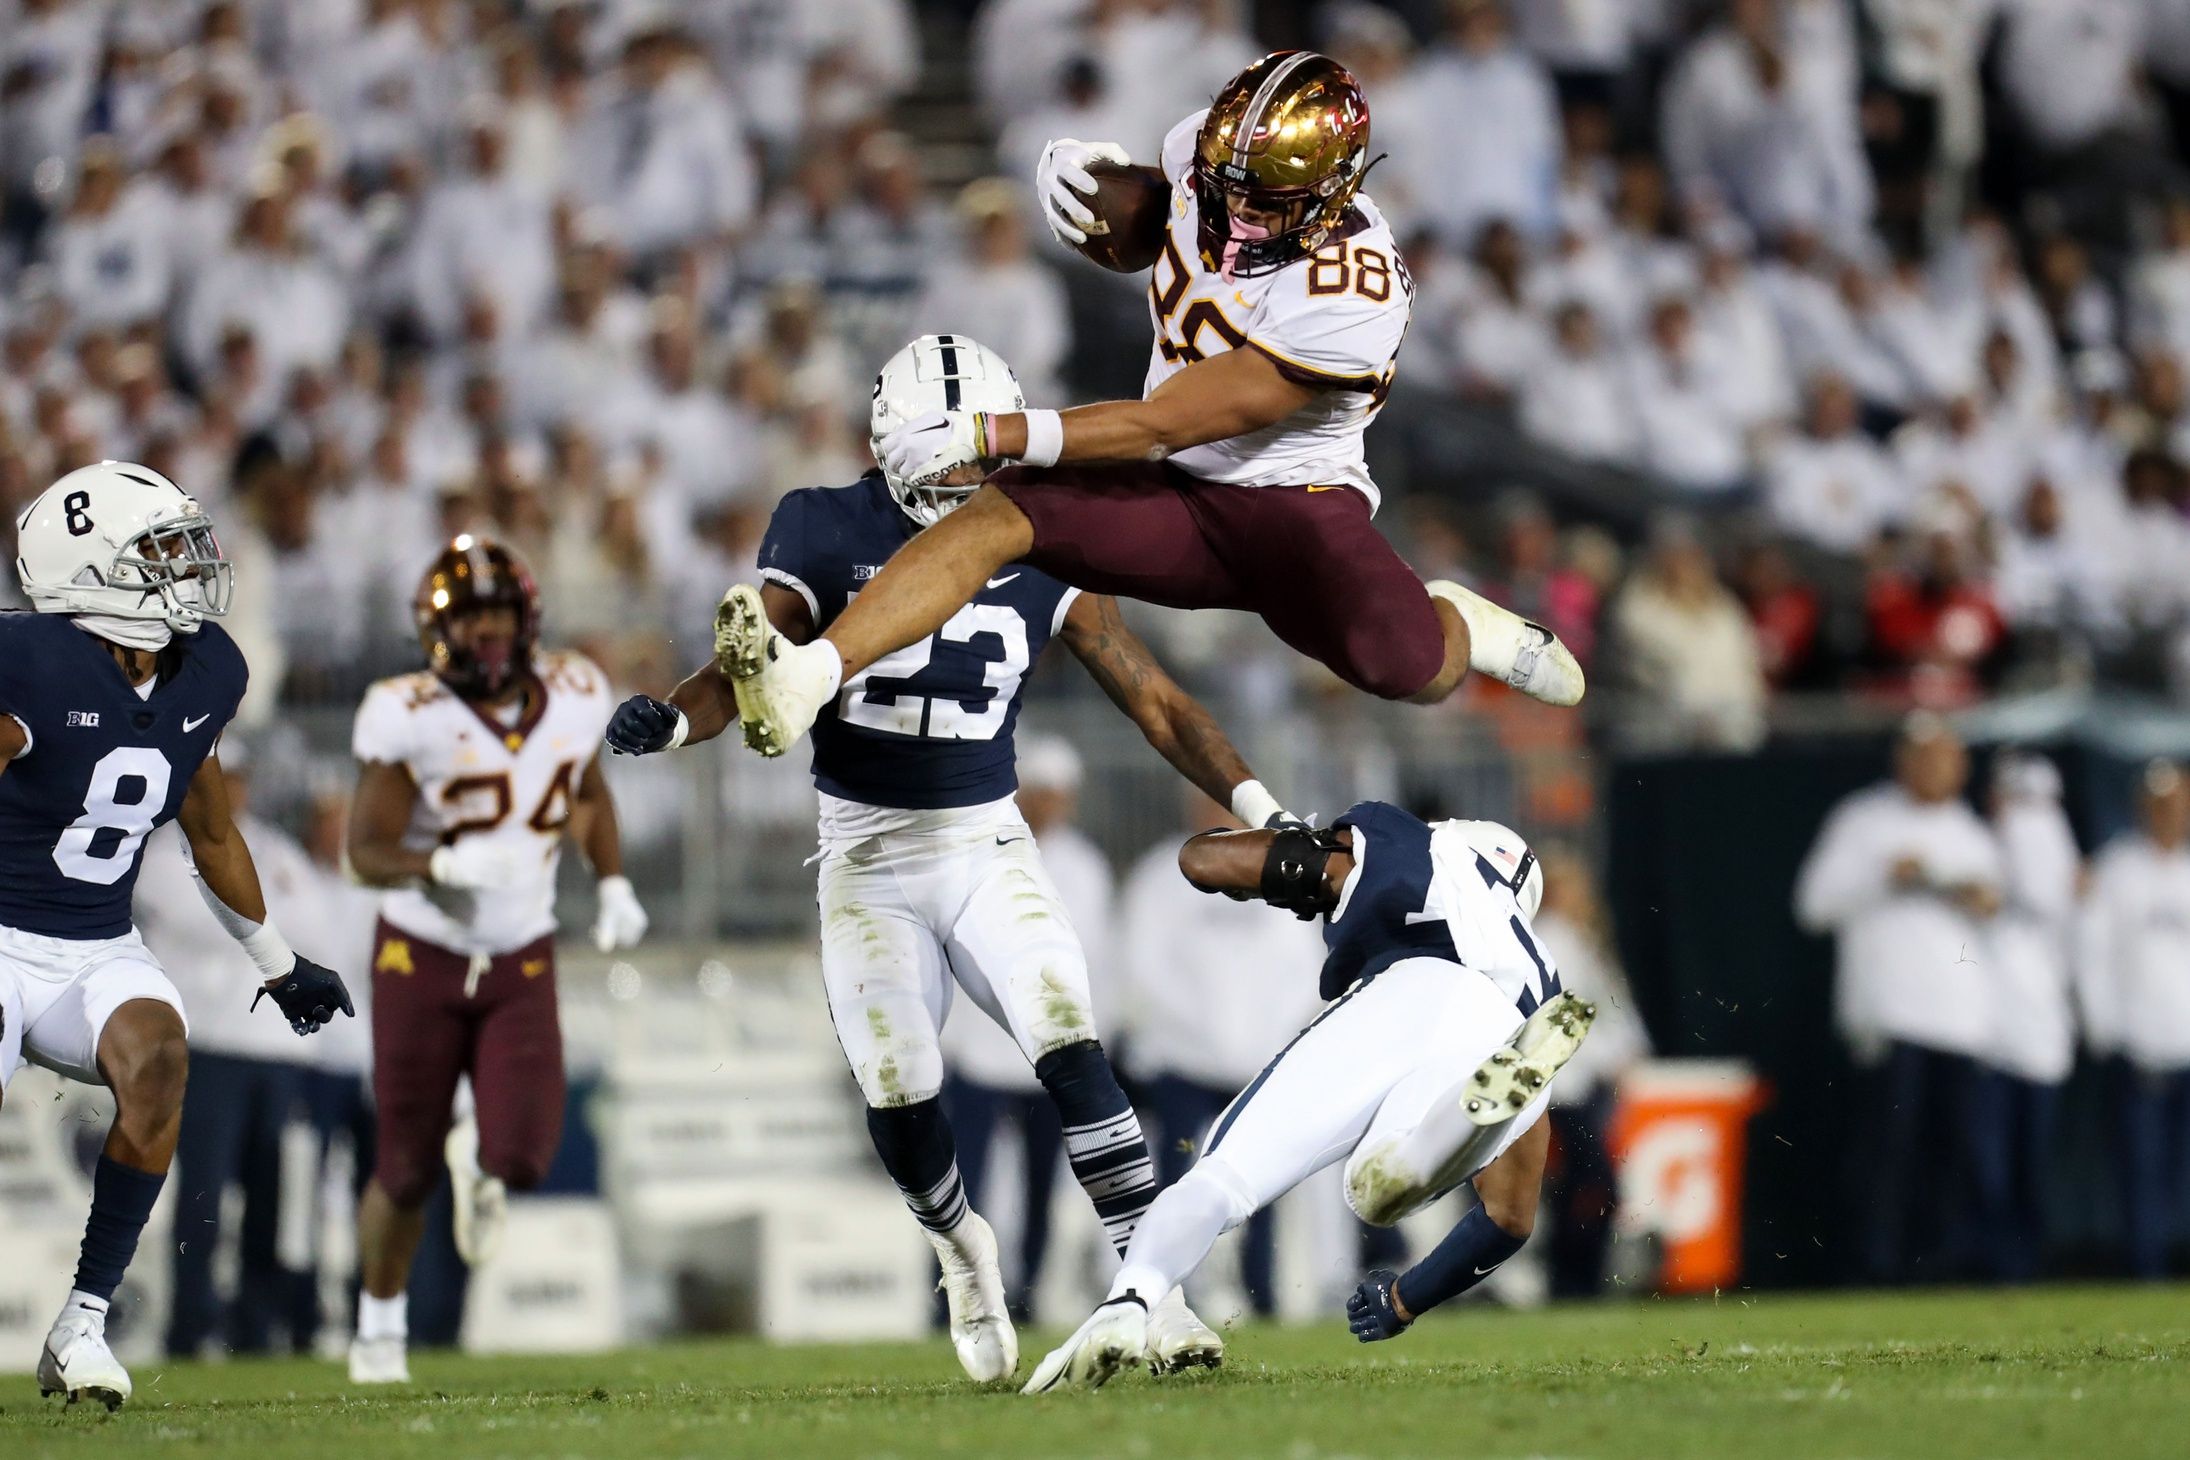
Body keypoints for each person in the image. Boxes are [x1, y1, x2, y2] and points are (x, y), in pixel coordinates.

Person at [605, 334, 1290, 1383]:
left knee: (1069, 1031)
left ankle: (1160, 1291)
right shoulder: (824, 524)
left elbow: (1152, 695)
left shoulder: (1039, 529)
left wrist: (1260, 801)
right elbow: (758, 663)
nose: (972, 477)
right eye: (953, 454)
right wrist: (674, 719)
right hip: (868, 853)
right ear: (896, 448)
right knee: (899, 1081)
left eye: (983, 454)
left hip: (984, 841)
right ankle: (963, 1251)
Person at [709, 51, 1584, 767]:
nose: (1234, 209)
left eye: (1264, 200)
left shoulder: (1353, 291)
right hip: (1172, 490)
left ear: (1331, 190)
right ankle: (809, 678)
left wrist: (991, 431)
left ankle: (1463, 619)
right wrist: (1088, 186)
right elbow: (1152, 228)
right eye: (1224, 182)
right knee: (993, 517)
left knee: (1408, 670)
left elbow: (1172, 418)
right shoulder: (1208, 163)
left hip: (1292, 509)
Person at [1023, 802, 1595, 1394]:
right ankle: (1423, 1147)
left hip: (1415, 989)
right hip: (1506, 1028)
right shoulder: (1538, 976)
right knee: (1375, 1191)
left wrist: (1294, 842)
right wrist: (1404, 1299)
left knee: (1221, 1177)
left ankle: (1130, 1301)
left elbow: (1204, 861)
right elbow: (1508, 1219)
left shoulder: (1420, 852)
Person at [1, 462, 354, 1409]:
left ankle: (81, 1324)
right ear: (86, 569)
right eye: (161, 550)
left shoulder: (207, 670)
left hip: (93, 942)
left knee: (160, 1059)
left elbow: (209, 827)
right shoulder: (29, 665)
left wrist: (276, 966)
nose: (190, 568)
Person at [344, 537, 647, 1385]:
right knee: (402, 1167)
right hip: (421, 950)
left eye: (498, 616)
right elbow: (362, 850)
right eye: (469, 617)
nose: (485, 634)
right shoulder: (408, 711)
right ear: (437, 629)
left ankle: (476, 1143)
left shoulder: (578, 690)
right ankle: (377, 1328)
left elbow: (585, 791)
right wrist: (437, 864)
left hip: (520, 949)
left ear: (527, 621)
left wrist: (613, 880)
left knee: (523, 1158)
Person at [133, 744, 351, 1356]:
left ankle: (258, 1328)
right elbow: (191, 915)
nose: (235, 790)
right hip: (208, 1046)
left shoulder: (277, 849)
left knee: (272, 1198)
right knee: (203, 1193)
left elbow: (322, 928)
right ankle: (191, 1324)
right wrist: (267, 926)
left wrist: (249, 921)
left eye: (239, 779)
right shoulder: (163, 849)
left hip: (278, 1051)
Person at [1793, 714, 2002, 1284]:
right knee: (1884, 1153)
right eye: (1928, 757)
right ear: (1903, 760)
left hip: (1959, 1022)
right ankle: (1873, 1268)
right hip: (1889, 1015)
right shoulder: (1863, 821)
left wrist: (1980, 898)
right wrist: (1884, 874)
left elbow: (1995, 918)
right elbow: (1812, 906)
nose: (1939, 769)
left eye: (1949, 758)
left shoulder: (1971, 831)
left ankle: (1942, 1267)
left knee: (1952, 1154)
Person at [1116, 788, 1324, 1319]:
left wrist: (1265, 1032)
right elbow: (1143, 964)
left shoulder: (1280, 870)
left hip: (1257, 1059)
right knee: (1177, 1180)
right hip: (1184, 1058)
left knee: (1261, 1181)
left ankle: (1264, 1294)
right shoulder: (1160, 875)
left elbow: (1303, 968)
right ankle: (1168, 1295)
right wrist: (1204, 1031)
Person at [937, 736, 1112, 1319]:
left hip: (1045, 1053)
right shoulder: (977, 847)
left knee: (1042, 1189)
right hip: (982, 1047)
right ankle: (954, 1301)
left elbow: (1092, 962)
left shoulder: (1085, 869)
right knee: (962, 1190)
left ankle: (1030, 1295)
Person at [2079, 760, 2190, 1280]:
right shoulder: (2118, 867)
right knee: (2141, 1170)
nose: (2169, 812)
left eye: (2177, 802)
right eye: (2159, 802)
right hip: (2140, 1046)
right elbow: (2093, 955)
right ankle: (2147, 1272)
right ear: (2142, 807)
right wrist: (2106, 1030)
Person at [1975, 752, 2080, 1282]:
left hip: (2040, 1040)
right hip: (1984, 1041)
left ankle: (2025, 1268)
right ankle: (1993, 1267)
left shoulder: (2060, 859)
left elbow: (2047, 900)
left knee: (2029, 1167)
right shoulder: (1971, 850)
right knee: (1987, 1170)